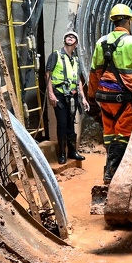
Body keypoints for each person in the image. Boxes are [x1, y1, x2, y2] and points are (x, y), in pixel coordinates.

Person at [88, 3, 132, 183]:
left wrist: (92, 96)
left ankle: (109, 168)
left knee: (109, 133)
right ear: (129, 21)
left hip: (104, 98)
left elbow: (94, 72)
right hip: (123, 99)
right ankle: (114, 173)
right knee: (124, 135)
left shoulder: (100, 43)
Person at [45, 30, 89, 164]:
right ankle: (62, 154)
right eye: (68, 36)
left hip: (72, 96)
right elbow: (48, 75)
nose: (70, 38)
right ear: (65, 40)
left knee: (71, 123)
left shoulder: (75, 60)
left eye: (73, 37)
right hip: (59, 95)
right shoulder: (55, 55)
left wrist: (83, 98)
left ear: (76, 43)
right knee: (62, 124)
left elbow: (78, 81)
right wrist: (51, 94)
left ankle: (72, 152)